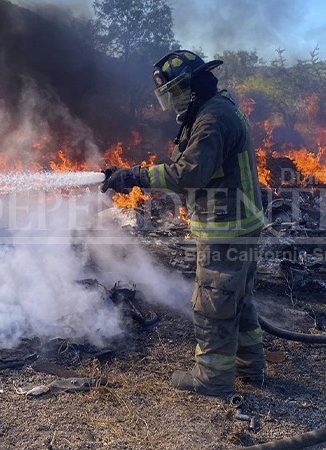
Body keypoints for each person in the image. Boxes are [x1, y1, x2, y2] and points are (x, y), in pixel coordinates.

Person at [102, 50, 266, 398]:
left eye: (175, 92)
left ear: (191, 86)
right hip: (241, 224)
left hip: (227, 228)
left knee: (213, 304)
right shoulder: (214, 109)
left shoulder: (211, 120)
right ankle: (250, 365)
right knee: (237, 299)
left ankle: (212, 377)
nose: (172, 101)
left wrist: (134, 176)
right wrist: (125, 174)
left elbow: (189, 173)